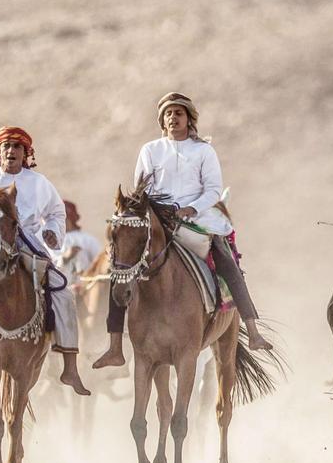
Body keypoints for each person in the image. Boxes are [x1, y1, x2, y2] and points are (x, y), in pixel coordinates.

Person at [93, 92, 271, 370]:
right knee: (122, 265)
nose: (173, 118)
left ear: (189, 119)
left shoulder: (203, 151)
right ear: (162, 121)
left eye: (179, 113)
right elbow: (141, 189)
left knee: (224, 255)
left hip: (194, 218)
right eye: (168, 114)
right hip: (157, 220)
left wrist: (191, 209)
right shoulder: (150, 150)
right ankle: (115, 346)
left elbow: (213, 190)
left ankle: (252, 328)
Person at [0, 126, 90, 396]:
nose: (11, 151)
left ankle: (70, 366)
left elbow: (56, 213)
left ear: (26, 153)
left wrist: (52, 234)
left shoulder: (39, 182)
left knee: (63, 294)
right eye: (6, 146)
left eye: (17, 147)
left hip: (28, 246)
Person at [55, 201, 102, 286]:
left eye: (63, 218)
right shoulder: (53, 242)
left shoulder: (88, 239)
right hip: (60, 290)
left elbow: (99, 263)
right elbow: (48, 267)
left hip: (85, 290)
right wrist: (64, 258)